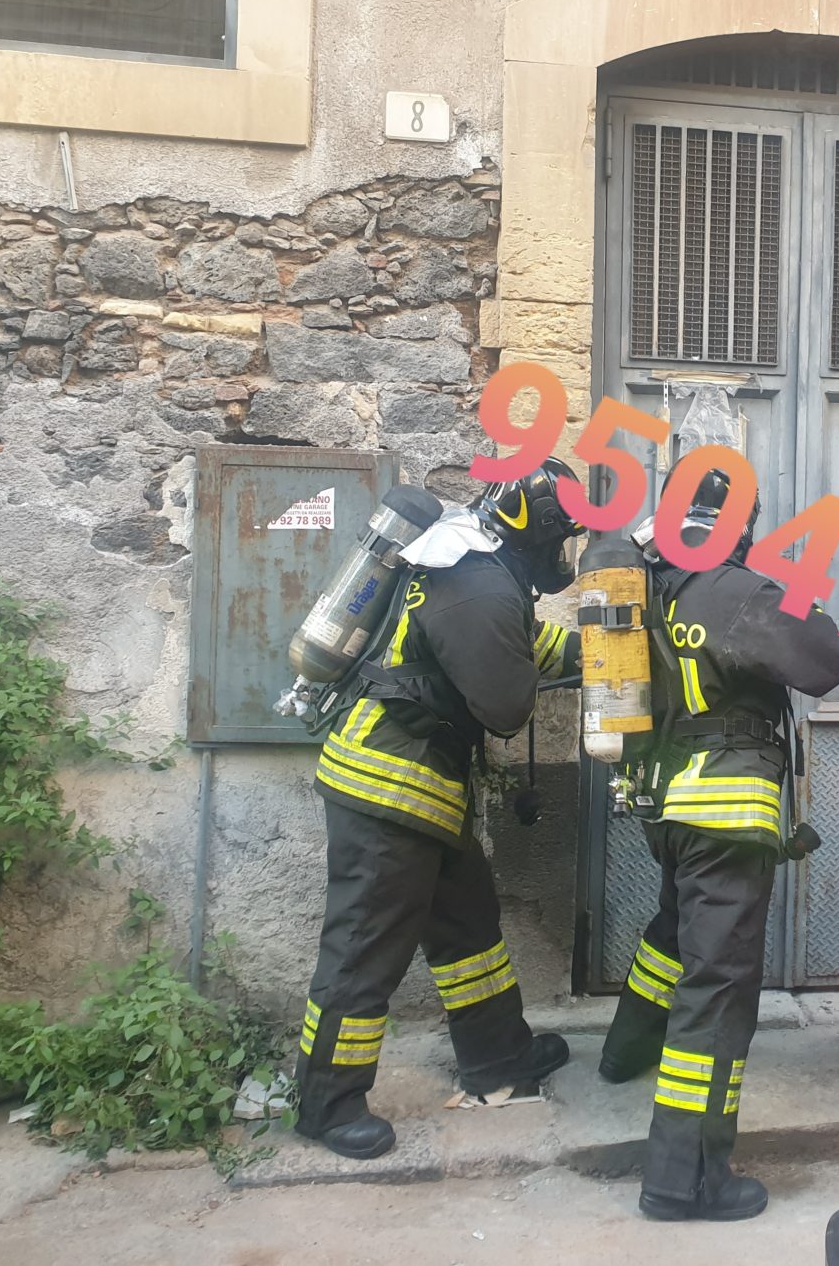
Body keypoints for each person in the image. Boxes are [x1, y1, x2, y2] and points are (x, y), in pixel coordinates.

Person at [293, 458, 585, 1160]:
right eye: (561, 537)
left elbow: (517, 639)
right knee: (364, 949)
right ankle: (325, 1102)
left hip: (423, 788)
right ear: (538, 530)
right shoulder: (479, 586)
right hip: (388, 788)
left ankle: (499, 1054)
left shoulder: (475, 563)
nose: (564, 553)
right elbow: (505, 704)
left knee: (467, 930)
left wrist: (596, 650)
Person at [596, 470, 839, 1221]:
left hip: (668, 811)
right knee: (717, 993)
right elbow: (827, 659)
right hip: (728, 817)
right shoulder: (734, 590)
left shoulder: (649, 584)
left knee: (673, 936)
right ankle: (685, 1180)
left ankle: (622, 1052)